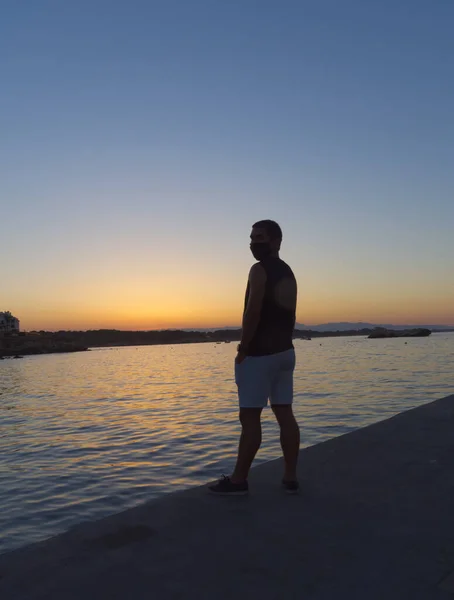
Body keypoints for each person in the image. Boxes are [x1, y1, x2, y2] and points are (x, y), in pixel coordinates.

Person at [209, 220, 300, 495]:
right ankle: (290, 477)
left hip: (260, 355)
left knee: (249, 418)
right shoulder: (288, 272)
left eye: (259, 237)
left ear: (276, 241)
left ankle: (238, 480)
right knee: (284, 413)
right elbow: (290, 313)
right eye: (251, 237)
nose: (253, 243)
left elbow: (252, 312)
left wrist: (244, 347)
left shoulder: (258, 270)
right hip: (285, 353)